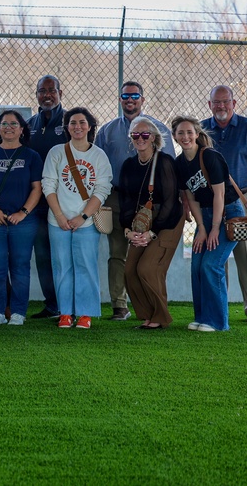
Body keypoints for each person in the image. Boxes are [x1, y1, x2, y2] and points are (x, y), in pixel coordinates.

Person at [94, 81, 175, 321]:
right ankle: (119, 305)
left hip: (153, 201)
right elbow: (98, 165)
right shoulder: (107, 131)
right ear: (120, 99)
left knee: (149, 257)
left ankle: (152, 303)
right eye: (125, 96)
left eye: (135, 96)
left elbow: (169, 166)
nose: (130, 100)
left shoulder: (160, 129)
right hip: (119, 197)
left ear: (142, 99)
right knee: (118, 252)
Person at [201, 85, 247, 323]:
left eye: (226, 102)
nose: (221, 106)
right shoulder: (201, 129)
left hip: (244, 199)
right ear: (209, 105)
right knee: (216, 254)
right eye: (216, 102)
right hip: (212, 200)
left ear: (234, 103)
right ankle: (218, 307)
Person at [42, 107, 112, 330]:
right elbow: (48, 185)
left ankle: (85, 313)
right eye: (73, 123)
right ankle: (65, 313)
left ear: (90, 126)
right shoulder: (56, 152)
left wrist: (83, 216)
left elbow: (102, 189)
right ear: (67, 127)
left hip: (87, 221)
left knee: (86, 266)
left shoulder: (99, 155)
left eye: (82, 122)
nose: (77, 127)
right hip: (58, 221)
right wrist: (60, 215)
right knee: (62, 266)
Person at [172, 116, 243, 332]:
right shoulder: (179, 163)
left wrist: (214, 229)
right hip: (204, 215)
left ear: (196, 133)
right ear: (174, 136)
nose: (185, 137)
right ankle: (202, 317)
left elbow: (220, 195)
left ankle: (218, 322)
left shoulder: (210, 156)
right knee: (196, 266)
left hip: (227, 213)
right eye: (180, 133)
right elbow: (191, 197)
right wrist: (202, 228)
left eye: (189, 132)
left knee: (211, 265)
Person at [0, 111, 43, 326]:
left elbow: (37, 188)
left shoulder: (31, 156)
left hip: (23, 222)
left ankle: (18, 313)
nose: (9, 127)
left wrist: (23, 213)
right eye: (4, 124)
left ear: (22, 129)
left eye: (14, 124)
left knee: (20, 266)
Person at [118, 117, 183, 329]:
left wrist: (152, 232)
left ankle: (160, 317)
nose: (140, 138)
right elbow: (125, 201)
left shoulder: (164, 162)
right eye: (135, 135)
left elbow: (171, 202)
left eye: (145, 134)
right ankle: (147, 315)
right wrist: (128, 230)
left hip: (168, 221)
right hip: (140, 223)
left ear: (153, 138)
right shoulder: (128, 165)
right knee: (129, 270)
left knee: (147, 268)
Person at [25, 75, 67, 318]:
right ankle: (52, 304)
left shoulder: (71, 122)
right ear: (36, 94)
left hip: (65, 202)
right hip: (37, 203)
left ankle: (68, 304)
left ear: (60, 93)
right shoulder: (29, 124)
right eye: (42, 91)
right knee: (42, 254)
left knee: (63, 254)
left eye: (52, 90)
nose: (47, 95)